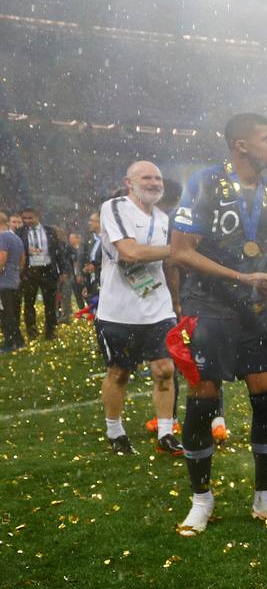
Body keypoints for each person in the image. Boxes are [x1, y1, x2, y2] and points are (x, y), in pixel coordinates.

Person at [169, 112, 267, 536]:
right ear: (241, 145)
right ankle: (201, 500)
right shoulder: (205, 184)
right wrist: (241, 278)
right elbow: (180, 251)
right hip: (209, 305)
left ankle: (266, 499)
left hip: (257, 310)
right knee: (203, 398)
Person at [96, 161, 182, 455]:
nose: (155, 183)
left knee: (165, 370)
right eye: (146, 177)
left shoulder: (163, 218)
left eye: (158, 178)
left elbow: (169, 264)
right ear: (129, 182)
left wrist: (176, 299)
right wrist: (178, 249)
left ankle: (166, 432)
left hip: (158, 307)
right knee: (119, 373)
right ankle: (115, 432)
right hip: (119, 310)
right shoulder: (115, 208)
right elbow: (129, 253)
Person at [19, 207, 62, 341]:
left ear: (38, 216)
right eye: (24, 218)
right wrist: (26, 251)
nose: (27, 221)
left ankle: (51, 331)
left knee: (50, 303)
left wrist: (63, 270)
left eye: (30, 218)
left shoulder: (49, 231)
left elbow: (58, 251)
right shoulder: (20, 232)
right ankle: (31, 330)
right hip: (29, 271)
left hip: (47, 270)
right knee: (29, 302)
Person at [0, 211, 24, 351]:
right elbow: (22, 259)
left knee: (5, 313)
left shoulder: (2, 237)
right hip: (14, 280)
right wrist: (15, 273)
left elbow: (2, 258)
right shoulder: (16, 238)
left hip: (3, 281)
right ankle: (16, 341)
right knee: (11, 312)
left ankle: (12, 341)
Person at [75, 210, 102, 308]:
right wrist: (81, 273)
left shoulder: (109, 239)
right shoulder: (87, 239)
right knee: (92, 302)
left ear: (100, 222)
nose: (89, 223)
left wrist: (97, 265)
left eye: (92, 221)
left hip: (103, 276)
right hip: (91, 277)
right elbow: (81, 256)